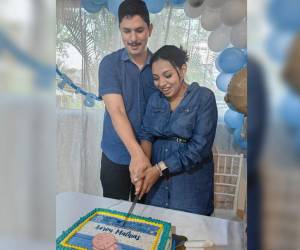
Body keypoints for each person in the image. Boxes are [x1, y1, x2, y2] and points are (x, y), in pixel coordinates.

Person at [138, 45, 218, 215]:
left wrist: (159, 169)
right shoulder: (154, 100)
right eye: (156, 78)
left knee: (190, 234)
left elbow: (199, 148)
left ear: (182, 70)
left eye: (168, 75)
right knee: (156, 232)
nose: (161, 83)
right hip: (157, 187)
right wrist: (145, 166)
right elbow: (146, 134)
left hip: (189, 186)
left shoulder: (204, 97)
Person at [98, 0, 157, 201]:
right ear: (120, 31)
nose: (133, 38)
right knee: (114, 217)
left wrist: (145, 158)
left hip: (151, 159)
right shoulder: (109, 64)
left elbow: (162, 114)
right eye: (127, 31)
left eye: (139, 30)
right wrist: (137, 155)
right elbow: (117, 111)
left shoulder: (161, 66)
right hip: (116, 156)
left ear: (150, 29)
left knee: (146, 219)